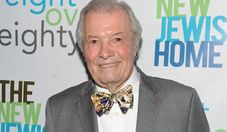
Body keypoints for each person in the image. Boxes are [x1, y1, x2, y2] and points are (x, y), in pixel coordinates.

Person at [44, 0, 210, 132]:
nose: (105, 52)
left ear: (135, 44)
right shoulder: (58, 110)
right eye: (94, 41)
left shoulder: (182, 103)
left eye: (116, 39)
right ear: (83, 50)